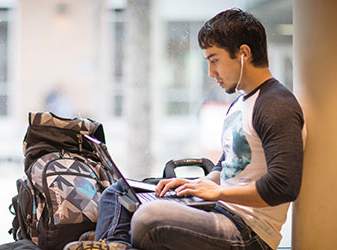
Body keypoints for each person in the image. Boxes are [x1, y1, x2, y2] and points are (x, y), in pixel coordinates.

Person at [64, 8, 306, 250]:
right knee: (119, 193)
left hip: (248, 232)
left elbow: (283, 186)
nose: (211, 73)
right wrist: (196, 187)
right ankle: (114, 246)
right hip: (220, 209)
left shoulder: (276, 105)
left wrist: (217, 192)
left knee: (150, 218)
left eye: (214, 60)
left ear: (243, 53)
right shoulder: (241, 102)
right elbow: (228, 164)